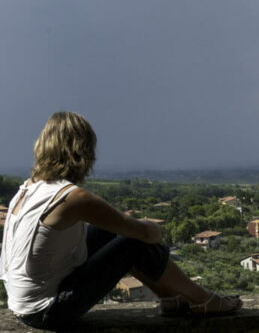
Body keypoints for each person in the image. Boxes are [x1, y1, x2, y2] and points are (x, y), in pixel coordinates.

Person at [0, 112, 242, 329]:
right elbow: (148, 235)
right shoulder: (72, 197)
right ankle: (205, 299)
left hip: (23, 304)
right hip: (46, 311)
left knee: (111, 233)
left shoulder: (28, 189)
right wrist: (153, 230)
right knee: (135, 241)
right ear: (84, 151)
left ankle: (171, 300)